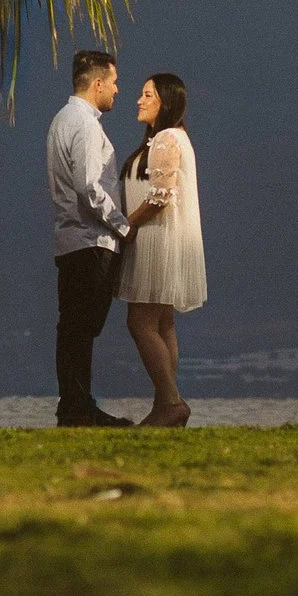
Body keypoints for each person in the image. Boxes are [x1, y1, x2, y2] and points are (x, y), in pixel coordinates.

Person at [46, 50, 135, 427]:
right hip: (90, 241)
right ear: (97, 83)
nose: (117, 90)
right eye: (113, 82)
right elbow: (89, 186)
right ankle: (78, 407)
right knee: (81, 328)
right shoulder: (83, 124)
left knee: (73, 327)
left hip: (71, 239)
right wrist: (123, 226)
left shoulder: (62, 120)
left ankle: (74, 404)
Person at [118, 73, 205, 427]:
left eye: (148, 95)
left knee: (140, 322)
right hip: (165, 239)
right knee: (163, 322)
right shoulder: (171, 138)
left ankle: (170, 402)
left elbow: (161, 195)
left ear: (165, 102)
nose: (139, 101)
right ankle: (163, 405)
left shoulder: (168, 138)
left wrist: (128, 224)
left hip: (157, 240)